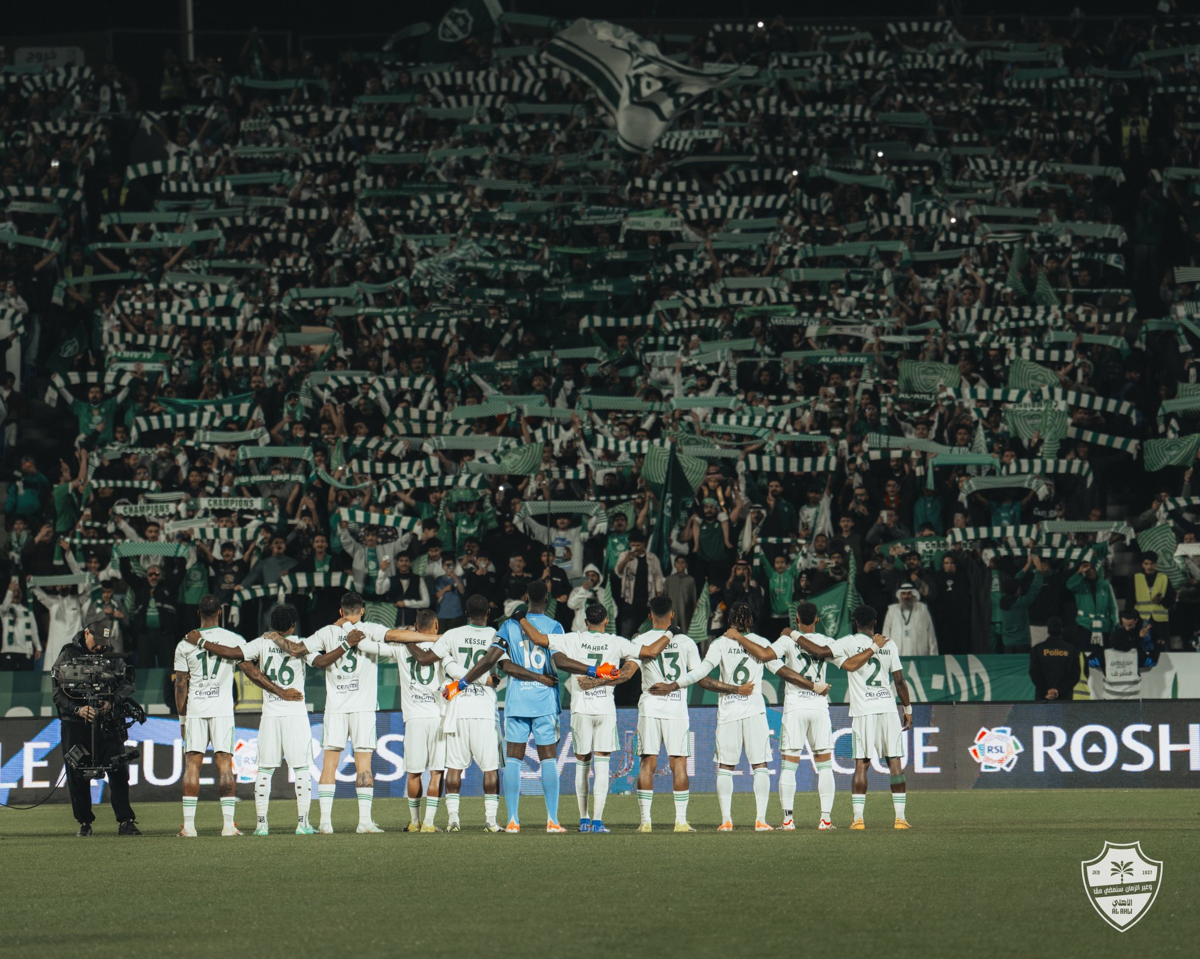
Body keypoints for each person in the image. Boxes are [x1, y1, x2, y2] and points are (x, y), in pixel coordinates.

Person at [516, 601, 668, 833]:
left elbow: (537, 639)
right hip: (605, 708)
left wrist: (521, 619)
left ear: (586, 622)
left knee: (582, 766)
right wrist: (670, 632)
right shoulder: (616, 642)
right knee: (602, 765)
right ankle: (597, 821)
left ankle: (584, 820)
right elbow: (650, 651)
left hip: (581, 708)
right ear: (606, 621)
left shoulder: (573, 638)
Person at [452, 580, 590, 833]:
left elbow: (499, 664)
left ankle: (513, 820)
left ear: (526, 598)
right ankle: (552, 821)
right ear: (546, 600)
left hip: (516, 701)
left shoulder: (508, 625)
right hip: (545, 700)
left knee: (513, 758)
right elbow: (558, 659)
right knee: (548, 758)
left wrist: (461, 682)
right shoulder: (555, 626)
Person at [186, 604, 317, 836]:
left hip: (270, 715)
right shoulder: (301, 643)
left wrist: (202, 643)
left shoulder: (261, 642)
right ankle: (302, 823)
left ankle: (261, 824)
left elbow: (232, 653)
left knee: (265, 770)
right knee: (301, 769)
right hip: (296, 713)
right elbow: (319, 661)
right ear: (293, 624)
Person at [649, 602, 777, 832]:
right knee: (760, 765)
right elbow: (779, 668)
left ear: (729, 621)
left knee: (726, 767)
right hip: (755, 711)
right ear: (752, 620)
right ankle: (761, 820)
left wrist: (673, 685)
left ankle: (726, 821)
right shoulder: (762, 643)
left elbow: (700, 672)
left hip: (729, 711)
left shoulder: (720, 643)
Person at [796, 605, 913, 830]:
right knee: (895, 763)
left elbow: (819, 651)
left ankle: (858, 819)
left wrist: (794, 635)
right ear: (875, 623)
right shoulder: (888, 643)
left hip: (863, 711)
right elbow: (899, 681)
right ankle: (900, 818)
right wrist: (907, 709)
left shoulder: (848, 642)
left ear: (854, 623)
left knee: (862, 764)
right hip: (888, 709)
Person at [304, 591, 404, 835]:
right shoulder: (369, 628)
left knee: (329, 764)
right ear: (363, 609)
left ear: (341, 611)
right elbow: (395, 635)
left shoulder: (327, 632)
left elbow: (304, 651)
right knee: (364, 765)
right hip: (363, 709)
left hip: (335, 708)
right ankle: (364, 822)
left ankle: (325, 823)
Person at [174, 594, 260, 837]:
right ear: (220, 613)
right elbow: (249, 670)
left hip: (196, 710)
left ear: (198, 613)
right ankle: (228, 825)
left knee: (192, 764)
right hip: (222, 710)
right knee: (224, 764)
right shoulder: (234, 639)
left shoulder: (185, 644)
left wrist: (182, 719)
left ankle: (189, 827)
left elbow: (181, 685)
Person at [51, 622, 140, 836]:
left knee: (118, 768)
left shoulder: (112, 656)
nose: (100, 648)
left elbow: (127, 683)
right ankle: (84, 822)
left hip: (108, 722)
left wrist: (113, 701)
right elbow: (57, 693)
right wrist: (78, 709)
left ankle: (125, 821)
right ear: (87, 633)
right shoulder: (68, 654)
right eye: (97, 642)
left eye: (104, 644)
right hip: (76, 724)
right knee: (77, 772)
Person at [427, 594, 502, 831]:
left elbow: (429, 657)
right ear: (488, 613)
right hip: (485, 711)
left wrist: (449, 664)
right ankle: (490, 821)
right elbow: (502, 669)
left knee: (454, 768)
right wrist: (488, 680)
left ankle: (453, 821)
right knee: (490, 768)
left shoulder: (451, 635)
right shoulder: (495, 636)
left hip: (457, 710)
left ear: (466, 614)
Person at [772, 602, 838, 829]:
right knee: (825, 766)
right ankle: (826, 820)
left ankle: (788, 820)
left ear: (796, 619)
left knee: (789, 766)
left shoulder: (787, 640)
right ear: (817, 619)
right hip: (819, 706)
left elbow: (770, 659)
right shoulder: (828, 642)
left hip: (795, 706)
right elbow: (845, 663)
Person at [1028, 617, 1081, 702]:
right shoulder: (1071, 649)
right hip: (1065, 698)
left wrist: (1046, 691)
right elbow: (1075, 675)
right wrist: (1058, 691)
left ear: (1047, 630)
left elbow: (1034, 673)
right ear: (1062, 630)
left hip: (1043, 697)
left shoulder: (1037, 649)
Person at [882, 585, 939, 656]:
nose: (906, 596)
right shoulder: (892, 610)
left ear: (913, 594)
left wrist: (933, 656)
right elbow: (886, 634)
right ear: (900, 595)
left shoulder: (922, 609)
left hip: (919, 654)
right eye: (904, 594)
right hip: (898, 654)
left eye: (909, 593)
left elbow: (930, 633)